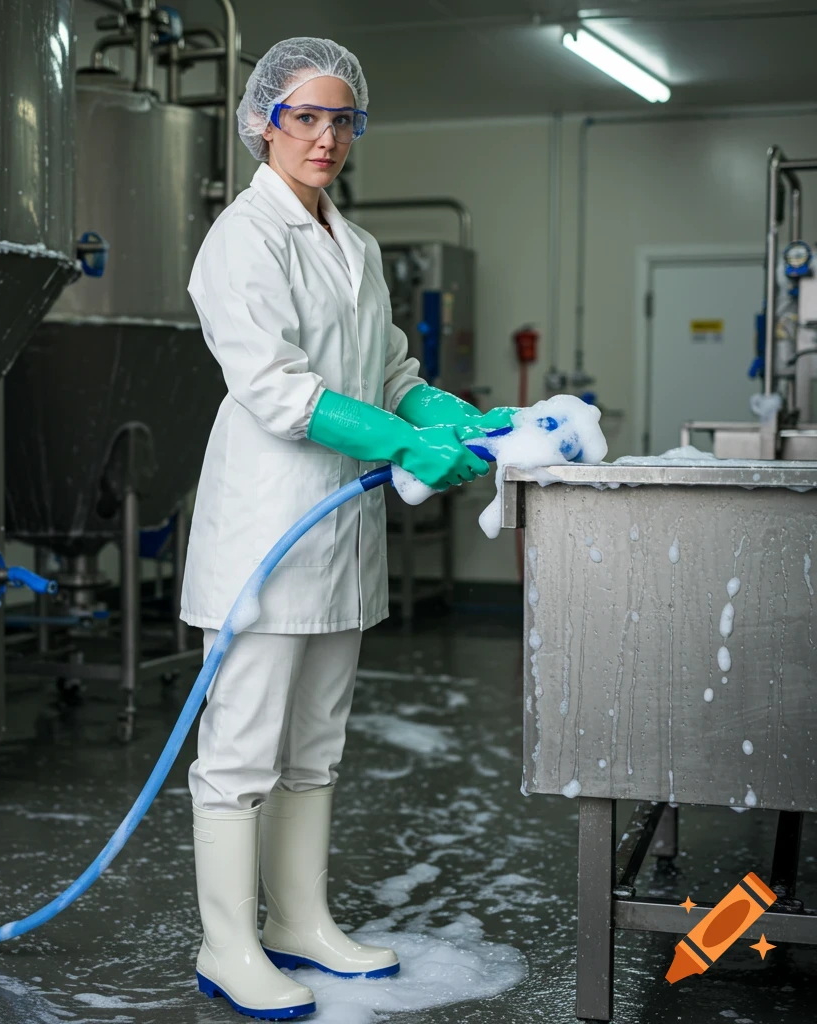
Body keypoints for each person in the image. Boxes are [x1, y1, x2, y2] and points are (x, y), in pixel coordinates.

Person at [181, 37, 514, 1020]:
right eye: (304, 117)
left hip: (339, 540)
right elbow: (279, 389)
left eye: (341, 120)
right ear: (262, 123)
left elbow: (390, 372)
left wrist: (448, 417)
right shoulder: (240, 238)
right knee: (240, 752)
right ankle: (227, 942)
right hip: (267, 531)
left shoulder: (356, 247)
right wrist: (397, 443)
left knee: (315, 745)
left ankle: (299, 921)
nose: (324, 137)